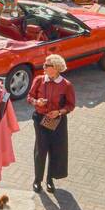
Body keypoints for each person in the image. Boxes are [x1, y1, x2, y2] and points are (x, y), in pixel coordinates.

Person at [27, 55, 75, 194]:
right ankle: (37, 180)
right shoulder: (39, 80)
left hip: (57, 121)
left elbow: (70, 105)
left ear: (55, 68)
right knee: (40, 150)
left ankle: (50, 180)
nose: (44, 67)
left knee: (55, 150)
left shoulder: (66, 85)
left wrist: (59, 112)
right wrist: (37, 102)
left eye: (47, 65)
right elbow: (30, 97)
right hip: (40, 119)